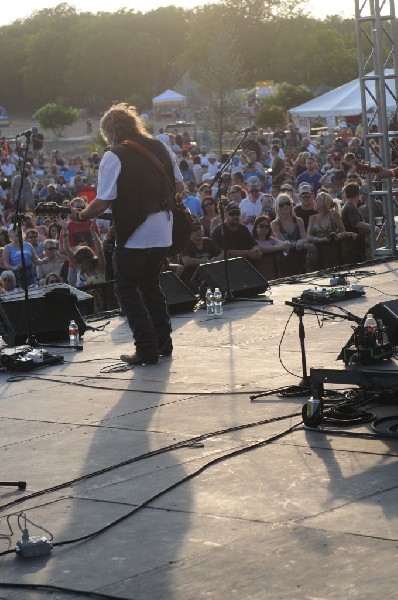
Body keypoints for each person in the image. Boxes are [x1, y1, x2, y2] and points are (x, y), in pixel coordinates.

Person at [70, 102, 184, 366]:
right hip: (164, 231)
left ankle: (146, 349)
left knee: (127, 288)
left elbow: (102, 201)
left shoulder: (114, 155)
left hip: (136, 234)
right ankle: (164, 343)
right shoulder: (161, 146)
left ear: (110, 131)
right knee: (150, 285)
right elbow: (179, 186)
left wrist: (82, 216)